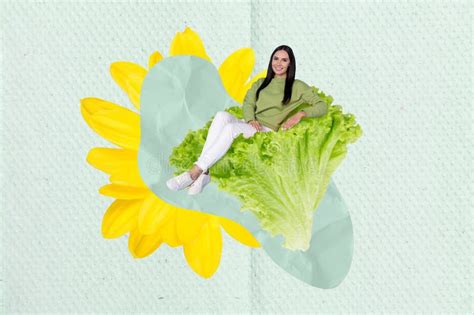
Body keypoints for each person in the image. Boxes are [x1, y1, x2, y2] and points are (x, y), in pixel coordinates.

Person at [166, 45, 329, 195]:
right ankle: (205, 172)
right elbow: (248, 103)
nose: (279, 63)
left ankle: (194, 172)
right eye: (276, 58)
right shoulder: (261, 82)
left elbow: (322, 106)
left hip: (266, 132)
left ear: (290, 64)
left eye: (284, 60)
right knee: (221, 116)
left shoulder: (298, 86)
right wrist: (250, 119)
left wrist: (300, 114)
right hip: (251, 125)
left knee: (231, 129)